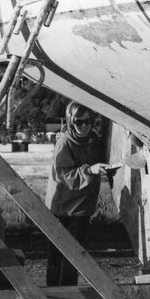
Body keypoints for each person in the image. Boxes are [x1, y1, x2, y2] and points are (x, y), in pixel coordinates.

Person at [44, 102, 115, 286]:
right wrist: (90, 171)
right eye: (79, 122)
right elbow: (64, 174)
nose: (84, 126)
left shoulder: (93, 140)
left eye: (88, 121)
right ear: (70, 121)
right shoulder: (64, 143)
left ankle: (69, 294)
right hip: (63, 208)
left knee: (75, 257)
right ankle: (57, 297)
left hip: (82, 208)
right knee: (59, 257)